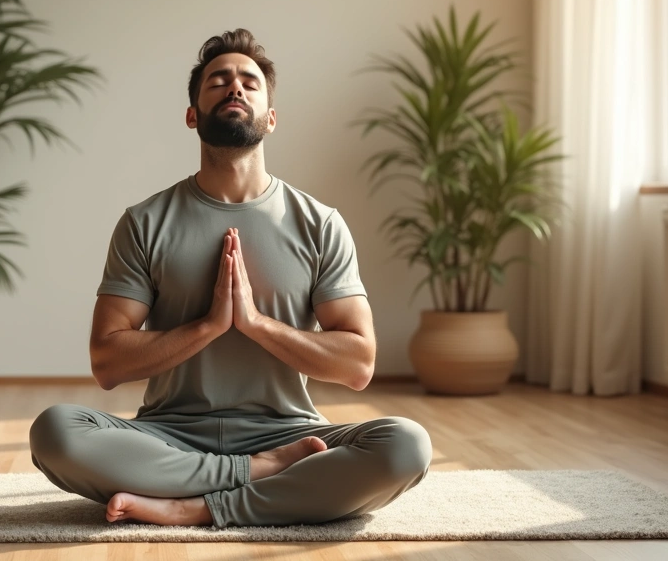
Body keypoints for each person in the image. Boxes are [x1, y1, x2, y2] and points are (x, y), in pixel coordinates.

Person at [29, 29, 432, 528]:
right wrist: (208, 326)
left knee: (406, 445)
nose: (235, 87)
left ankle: (195, 506)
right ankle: (261, 479)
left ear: (271, 117)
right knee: (56, 432)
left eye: (250, 82)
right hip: (167, 435)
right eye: (218, 81)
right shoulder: (145, 221)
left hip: (290, 435)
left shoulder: (319, 223)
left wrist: (256, 323)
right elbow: (107, 362)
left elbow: (359, 363)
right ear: (193, 115)